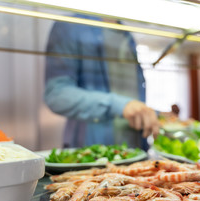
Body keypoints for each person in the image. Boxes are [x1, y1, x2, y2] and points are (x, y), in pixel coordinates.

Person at [44, 15, 160, 150]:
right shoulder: (70, 25)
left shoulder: (127, 34)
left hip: (136, 151)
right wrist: (119, 105)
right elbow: (57, 95)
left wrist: (153, 115)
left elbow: (130, 95)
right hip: (93, 154)